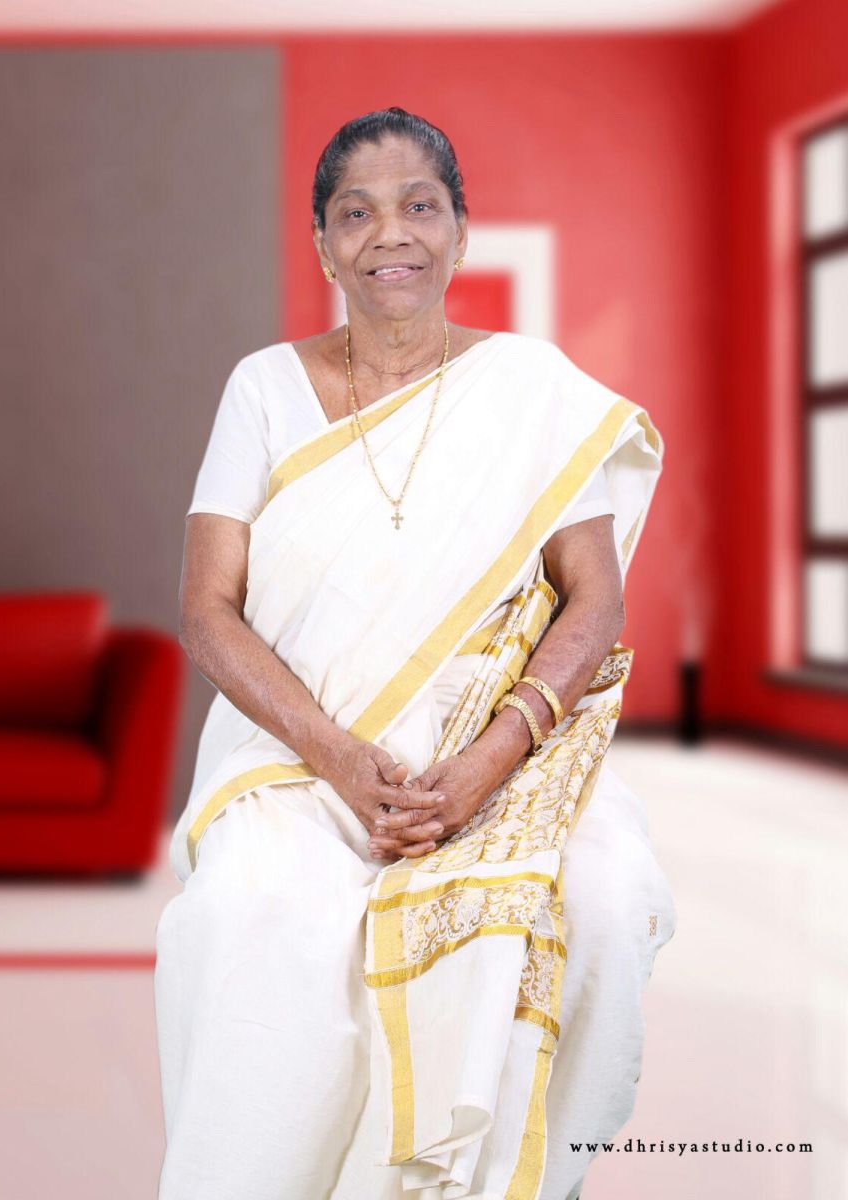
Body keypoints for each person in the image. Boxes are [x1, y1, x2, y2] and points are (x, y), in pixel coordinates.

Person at [154, 106, 677, 1200]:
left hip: (497, 751)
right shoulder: (263, 388)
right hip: (299, 756)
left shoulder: (529, 387)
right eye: (356, 213)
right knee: (256, 915)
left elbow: (593, 599)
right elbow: (208, 610)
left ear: (459, 231)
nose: (389, 233)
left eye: (418, 206)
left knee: (603, 892)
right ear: (322, 246)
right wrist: (342, 759)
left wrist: (486, 762)